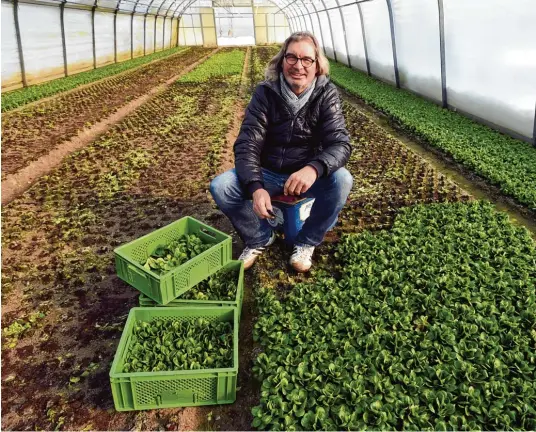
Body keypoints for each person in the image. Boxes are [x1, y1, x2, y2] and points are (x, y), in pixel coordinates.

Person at [210, 31, 353, 272]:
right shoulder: (265, 93)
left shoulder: (325, 94)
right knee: (221, 187)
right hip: (268, 171)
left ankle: (307, 241)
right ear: (282, 61)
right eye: (292, 58)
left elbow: (340, 143)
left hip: (304, 176)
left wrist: (313, 168)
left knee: (342, 180)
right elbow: (248, 143)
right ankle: (260, 237)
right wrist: (256, 187)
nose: (299, 66)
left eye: (306, 59)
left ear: (317, 65)